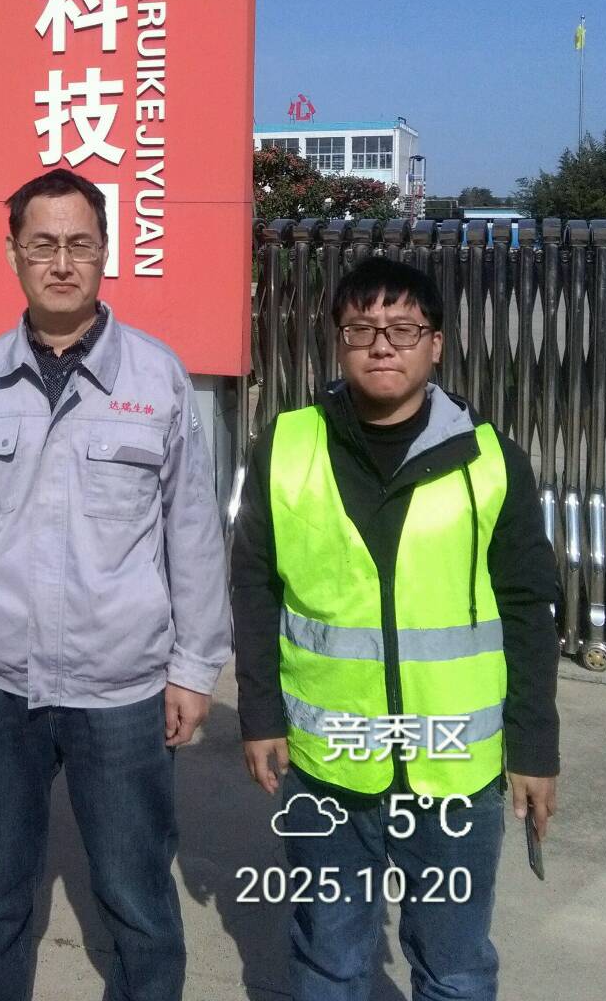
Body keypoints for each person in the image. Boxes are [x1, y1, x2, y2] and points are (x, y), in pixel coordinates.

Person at [0, 169, 232, 1001]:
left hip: (120, 685)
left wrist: (193, 668)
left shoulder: (156, 378)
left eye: (80, 245)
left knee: (137, 895)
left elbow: (193, 532)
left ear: (105, 252)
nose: (62, 263)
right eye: (43, 246)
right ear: (13, 254)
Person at [231, 256, 559, 1001]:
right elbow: (253, 588)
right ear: (338, 341)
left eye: (403, 328)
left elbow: (528, 612)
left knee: (454, 967)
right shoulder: (287, 447)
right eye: (362, 328)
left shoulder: (490, 460)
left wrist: (535, 749)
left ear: (435, 343)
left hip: (455, 769)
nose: (382, 344)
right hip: (330, 763)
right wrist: (261, 715)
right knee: (329, 958)